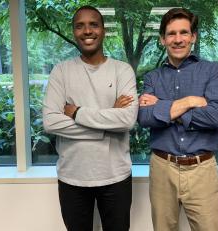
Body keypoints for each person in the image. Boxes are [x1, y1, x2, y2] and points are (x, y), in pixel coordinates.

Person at [42, 5, 138, 231]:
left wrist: (77, 113)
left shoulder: (122, 70)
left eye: (93, 24)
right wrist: (108, 122)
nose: (87, 31)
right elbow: (51, 121)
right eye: (80, 26)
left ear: (103, 30)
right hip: (72, 177)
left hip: (116, 177)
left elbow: (126, 120)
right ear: (74, 31)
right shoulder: (61, 71)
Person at [138, 8, 218, 231]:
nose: (178, 39)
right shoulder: (152, 77)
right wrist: (190, 100)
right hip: (162, 168)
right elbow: (144, 117)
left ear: (193, 37)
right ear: (162, 39)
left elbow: (217, 116)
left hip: (202, 169)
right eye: (171, 34)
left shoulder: (213, 71)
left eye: (184, 33)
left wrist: (162, 106)